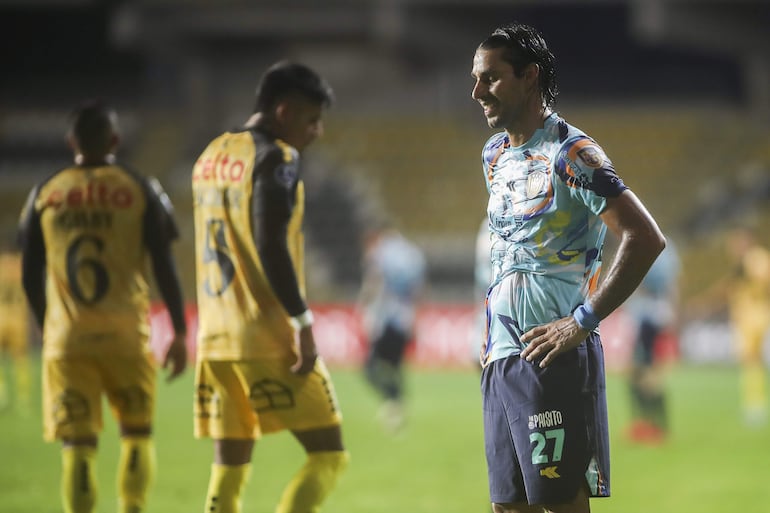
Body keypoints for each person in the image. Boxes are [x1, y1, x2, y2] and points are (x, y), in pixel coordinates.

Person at [470, 23, 665, 513]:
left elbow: (645, 238)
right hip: (501, 352)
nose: (477, 92)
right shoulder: (494, 155)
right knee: (509, 506)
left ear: (529, 77)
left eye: (491, 78)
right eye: (475, 78)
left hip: (550, 355)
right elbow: (509, 251)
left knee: (560, 501)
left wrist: (581, 323)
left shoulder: (571, 153)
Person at [191, 61, 348, 513]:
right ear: (284, 111)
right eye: (312, 119)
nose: (317, 131)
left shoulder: (211, 155)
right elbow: (269, 243)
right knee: (329, 456)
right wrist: (302, 322)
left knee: (230, 467)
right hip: (265, 335)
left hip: (216, 340)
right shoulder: (276, 156)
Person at [18, 100, 188, 513]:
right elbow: (165, 259)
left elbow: (28, 272)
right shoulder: (138, 187)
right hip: (126, 336)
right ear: (115, 139)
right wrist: (180, 331)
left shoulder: (45, 193)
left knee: (77, 445)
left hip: (68, 340)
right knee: (136, 433)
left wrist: (48, 325)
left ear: (70, 141)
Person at [357, 220, 426, 433]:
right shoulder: (413, 254)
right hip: (404, 319)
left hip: (386, 318)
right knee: (395, 367)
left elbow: (374, 282)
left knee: (369, 367)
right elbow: (418, 290)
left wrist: (364, 306)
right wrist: (415, 319)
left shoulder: (379, 252)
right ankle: (397, 408)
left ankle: (393, 400)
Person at [623, 239, 681, 443]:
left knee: (642, 373)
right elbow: (672, 285)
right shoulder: (668, 251)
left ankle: (651, 426)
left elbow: (637, 282)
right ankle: (653, 425)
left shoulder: (642, 246)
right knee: (646, 373)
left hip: (647, 318)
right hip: (658, 315)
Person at [0, 246, 32, 413]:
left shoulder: (2, 267)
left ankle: (2, 392)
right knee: (20, 360)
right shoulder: (21, 267)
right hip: (17, 317)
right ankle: (23, 398)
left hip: (1, 315)